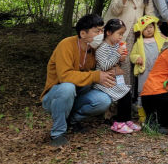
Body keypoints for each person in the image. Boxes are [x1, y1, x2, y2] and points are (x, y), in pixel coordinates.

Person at [41, 14, 115, 146]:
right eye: (97, 31)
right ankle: (57, 133)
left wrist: (115, 67)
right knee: (67, 87)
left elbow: (100, 69)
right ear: (83, 33)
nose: (101, 34)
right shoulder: (66, 45)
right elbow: (65, 76)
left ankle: (72, 120)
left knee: (104, 101)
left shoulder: (94, 49)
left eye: (102, 30)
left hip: (77, 94)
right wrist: (95, 76)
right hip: (55, 96)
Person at [104, 0, 156, 85]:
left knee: (131, 65)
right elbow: (115, 10)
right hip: (117, 31)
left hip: (135, 31)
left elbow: (149, 11)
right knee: (113, 63)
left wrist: (154, 30)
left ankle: (127, 97)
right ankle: (113, 96)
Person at [92, 18, 140, 134]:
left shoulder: (116, 45)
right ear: (108, 33)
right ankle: (119, 122)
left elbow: (115, 62)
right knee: (123, 94)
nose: (120, 37)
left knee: (127, 92)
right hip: (103, 81)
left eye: (122, 34)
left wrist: (121, 58)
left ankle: (126, 119)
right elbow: (104, 66)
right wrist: (117, 55)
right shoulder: (102, 48)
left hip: (113, 78)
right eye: (119, 34)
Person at [129, 15, 167, 123]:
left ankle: (156, 114)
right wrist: (137, 58)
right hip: (144, 71)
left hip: (158, 72)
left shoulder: (159, 40)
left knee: (158, 90)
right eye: (145, 28)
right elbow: (132, 55)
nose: (149, 30)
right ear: (141, 31)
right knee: (143, 92)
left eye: (150, 26)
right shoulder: (139, 43)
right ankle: (142, 116)